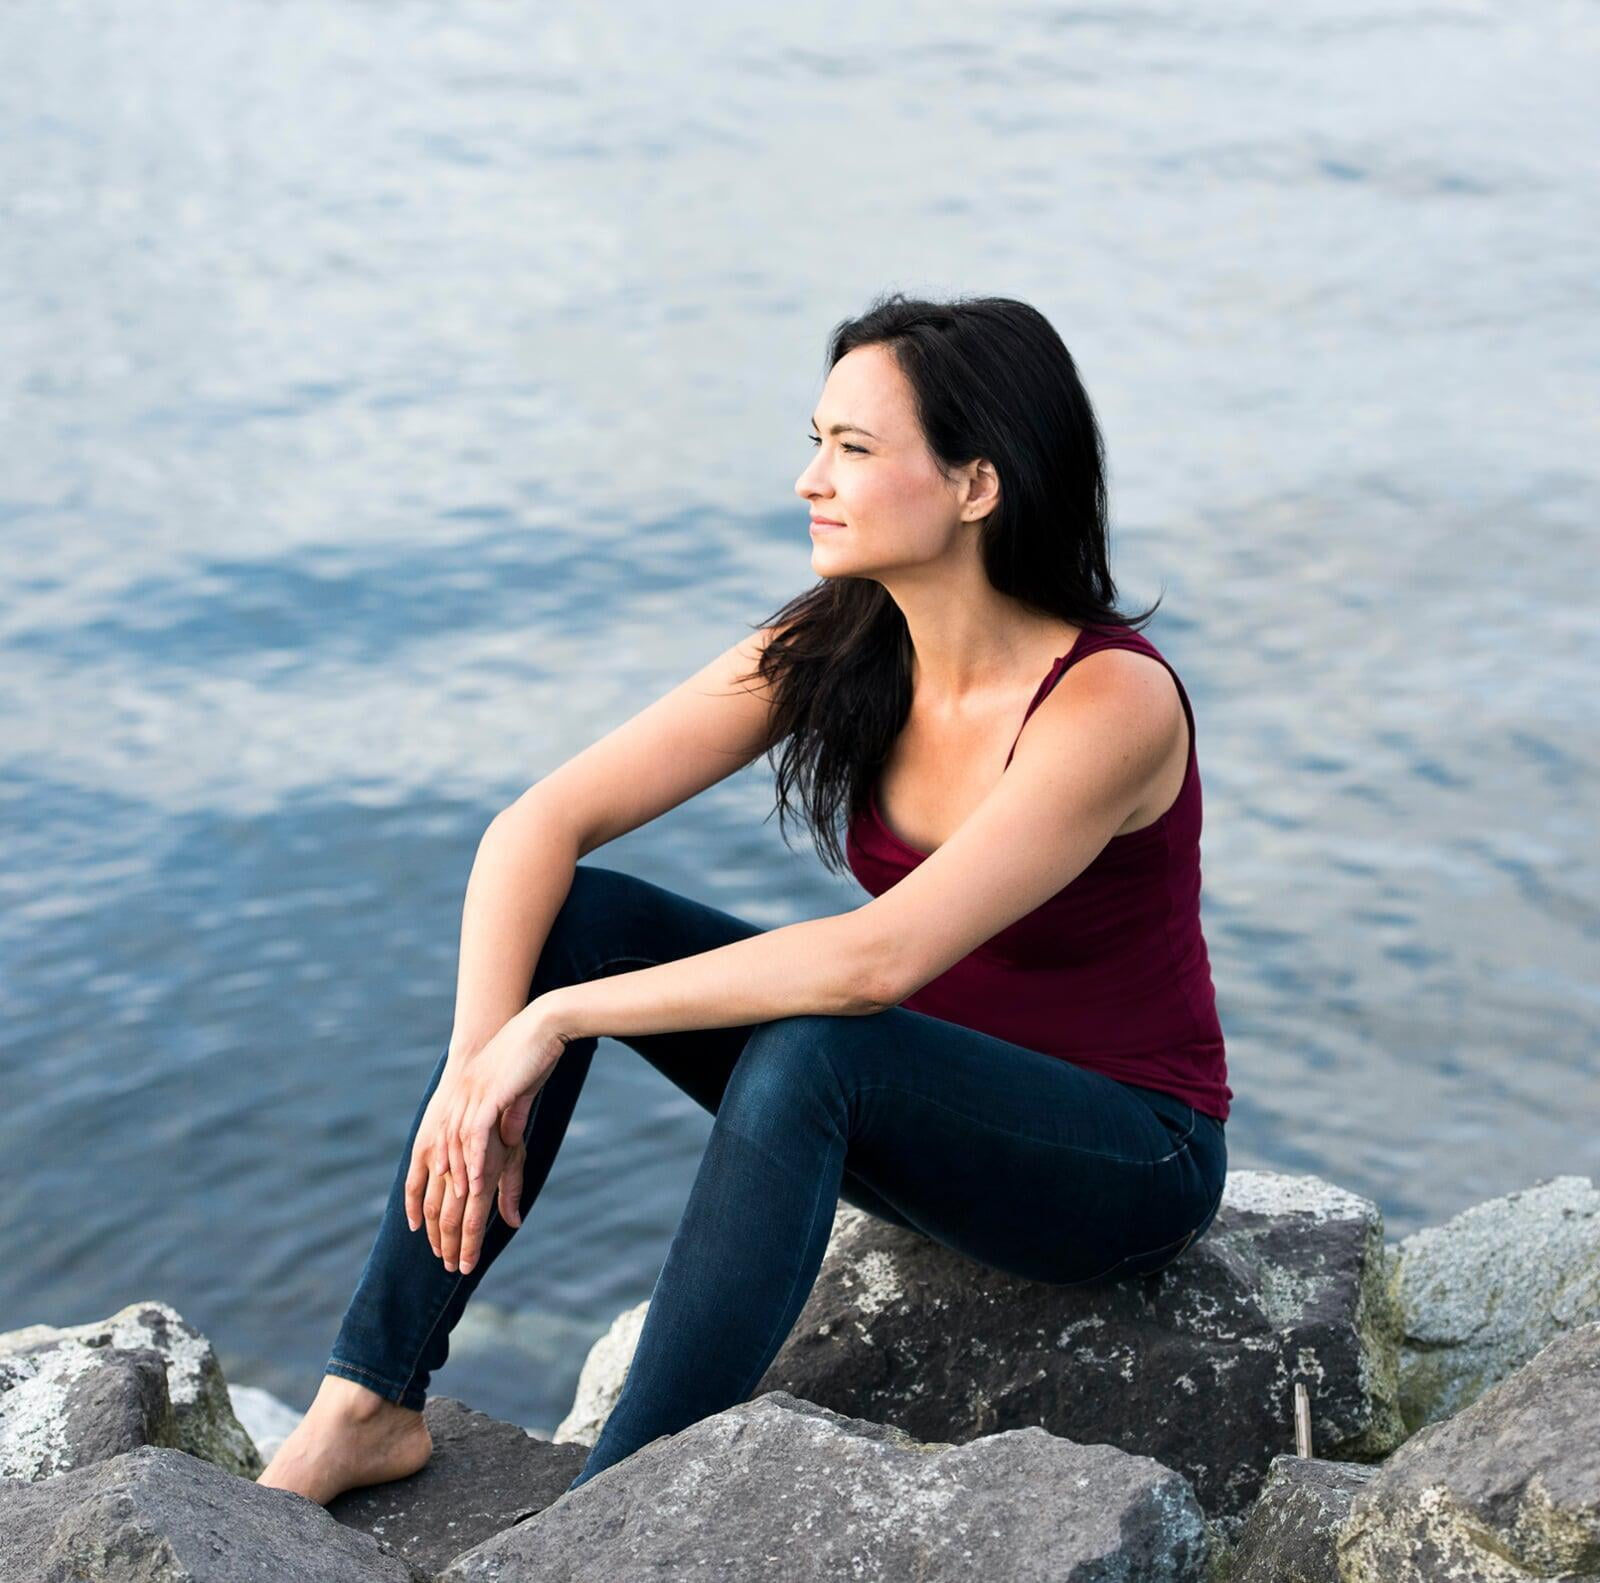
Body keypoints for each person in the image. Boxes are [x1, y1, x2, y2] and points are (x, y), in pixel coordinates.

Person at [256, 292, 1231, 1506]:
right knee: (581, 918)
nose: (809, 480)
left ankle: (610, 1513)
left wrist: (557, 1022)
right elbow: (539, 824)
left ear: (978, 485)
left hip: (1122, 1157)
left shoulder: (1109, 704)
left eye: (853, 450)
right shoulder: (842, 640)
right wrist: (475, 1067)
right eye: (817, 439)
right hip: (923, 1109)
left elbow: (877, 963)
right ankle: (366, 1400)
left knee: (814, 1050)